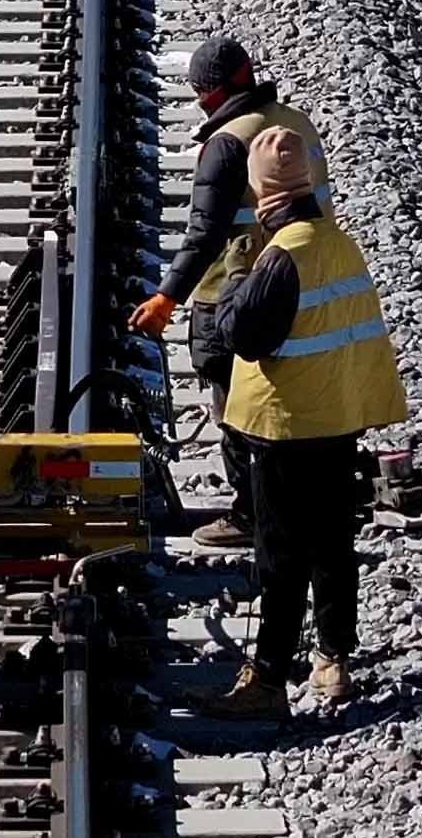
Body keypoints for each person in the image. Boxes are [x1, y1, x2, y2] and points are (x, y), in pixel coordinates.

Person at [199, 124, 405, 718]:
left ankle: (267, 680)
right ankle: (333, 660)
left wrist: (237, 279)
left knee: (280, 555)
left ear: (262, 191)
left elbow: (242, 335)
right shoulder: (339, 242)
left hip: (286, 426)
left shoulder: (281, 256)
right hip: (339, 419)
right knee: (334, 544)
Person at [126, 34, 325, 549]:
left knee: (236, 407)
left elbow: (205, 234)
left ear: (208, 92)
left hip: (239, 293)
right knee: (294, 398)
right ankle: (305, 500)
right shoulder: (295, 123)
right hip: (304, 277)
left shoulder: (227, 142)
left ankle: (250, 515)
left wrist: (166, 298)